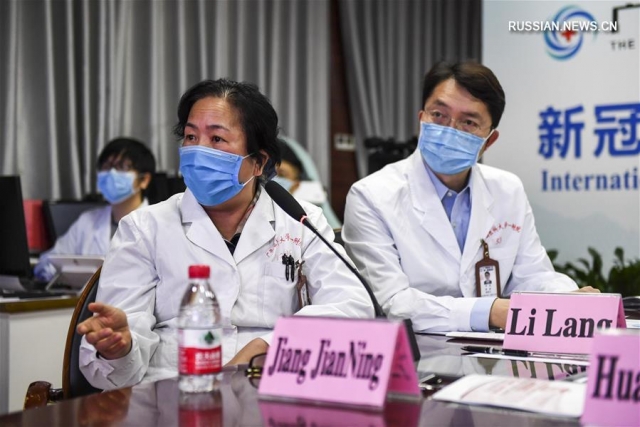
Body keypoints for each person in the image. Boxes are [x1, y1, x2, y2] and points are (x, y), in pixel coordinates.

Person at [77, 78, 374, 390]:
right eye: (191, 136)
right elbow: (116, 355)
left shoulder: (301, 221)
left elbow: (352, 306)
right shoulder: (143, 228)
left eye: (217, 138)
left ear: (258, 162)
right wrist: (119, 348)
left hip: (272, 389)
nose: (198, 151)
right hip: (172, 393)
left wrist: (267, 345)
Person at [342, 61, 597, 333]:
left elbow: (531, 274)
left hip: (493, 350)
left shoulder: (507, 189)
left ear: (489, 141)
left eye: (468, 122)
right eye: (439, 115)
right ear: (421, 119)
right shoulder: (371, 196)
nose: (450, 129)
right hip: (419, 351)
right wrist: (489, 312)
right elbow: (393, 303)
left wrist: (567, 297)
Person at [34, 138, 155, 282]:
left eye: (122, 167)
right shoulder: (87, 221)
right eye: (107, 166)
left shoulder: (157, 224)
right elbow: (48, 263)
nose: (111, 173)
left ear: (144, 180)